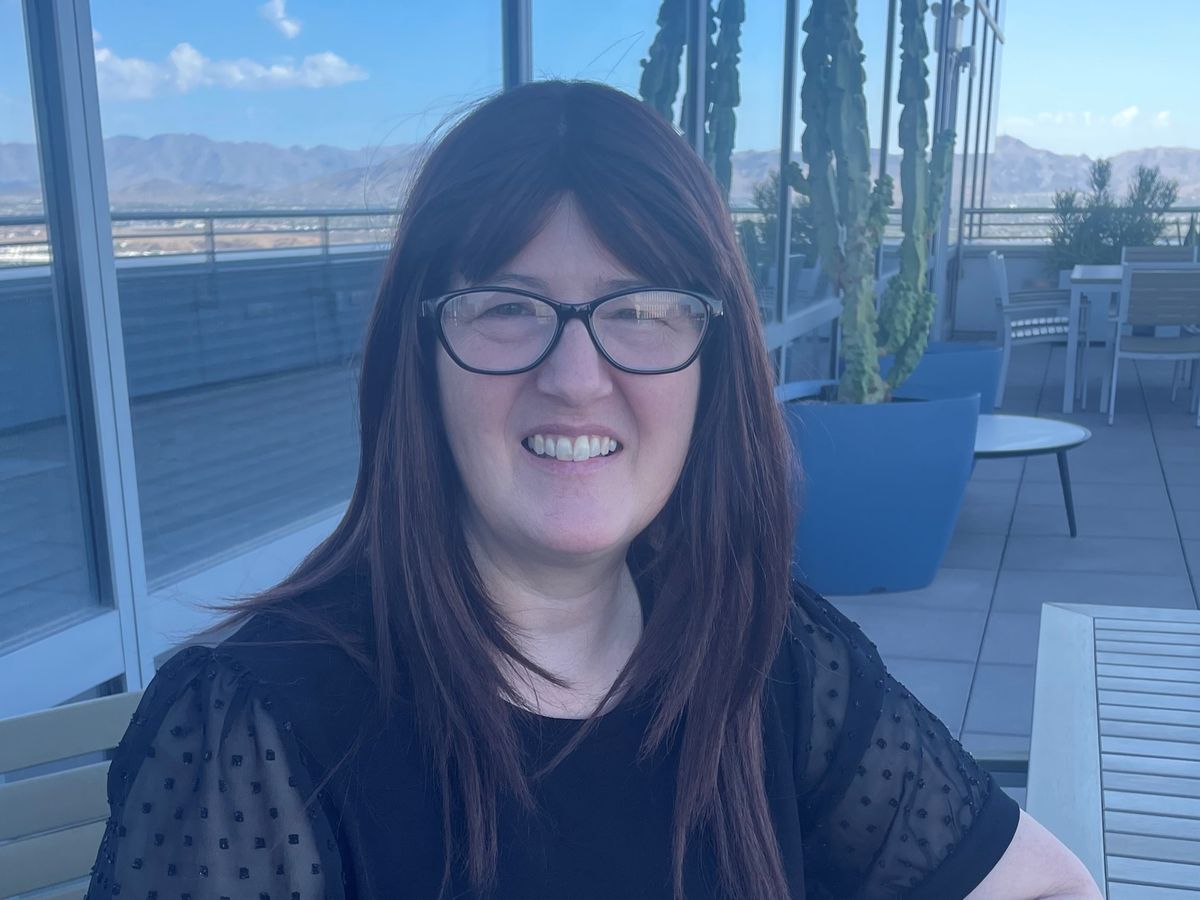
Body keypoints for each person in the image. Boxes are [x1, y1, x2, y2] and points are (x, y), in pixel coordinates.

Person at [86, 80, 1100, 900]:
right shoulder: (253, 737)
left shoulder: (770, 658)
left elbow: (1049, 887)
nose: (576, 377)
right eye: (506, 307)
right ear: (419, 358)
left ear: (711, 366)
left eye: (642, 311)